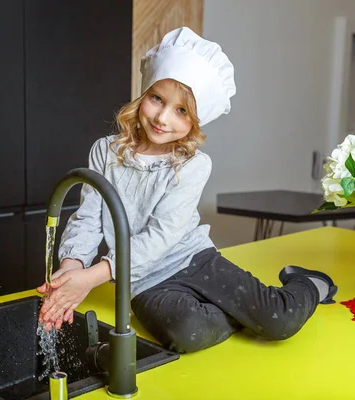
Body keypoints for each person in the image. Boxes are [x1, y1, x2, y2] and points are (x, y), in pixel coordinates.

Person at [37, 27, 337, 353]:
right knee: (188, 335)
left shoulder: (194, 165)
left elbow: (162, 235)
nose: (163, 118)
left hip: (196, 259)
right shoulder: (105, 152)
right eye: (157, 99)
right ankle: (248, 314)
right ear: (143, 94)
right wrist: (71, 270)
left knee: (281, 321)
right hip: (143, 280)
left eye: (181, 111)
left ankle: (306, 282)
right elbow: (88, 219)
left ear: (195, 122)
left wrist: (92, 278)